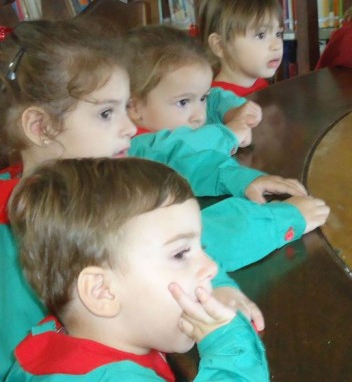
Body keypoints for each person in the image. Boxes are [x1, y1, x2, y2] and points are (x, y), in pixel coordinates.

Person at [0, 20, 264, 379]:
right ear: (41, 127)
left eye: (126, 108)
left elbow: (174, 244)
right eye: (106, 113)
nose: (128, 127)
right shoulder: (15, 233)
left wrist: (215, 287)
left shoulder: (101, 178)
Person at [6, 157, 268, 381]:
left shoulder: (64, 337)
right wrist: (231, 346)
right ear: (102, 292)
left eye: (201, 247)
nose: (211, 267)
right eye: (180, 254)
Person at [125, 25, 330, 270]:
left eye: (201, 99)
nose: (199, 115)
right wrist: (283, 219)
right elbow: (197, 244)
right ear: (133, 107)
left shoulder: (137, 134)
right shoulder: (136, 151)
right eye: (183, 102)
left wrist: (242, 178)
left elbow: (190, 159)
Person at [197, 0, 285, 97]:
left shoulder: (259, 83)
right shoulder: (217, 102)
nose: (277, 46)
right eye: (260, 35)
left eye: (278, 34)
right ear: (220, 46)